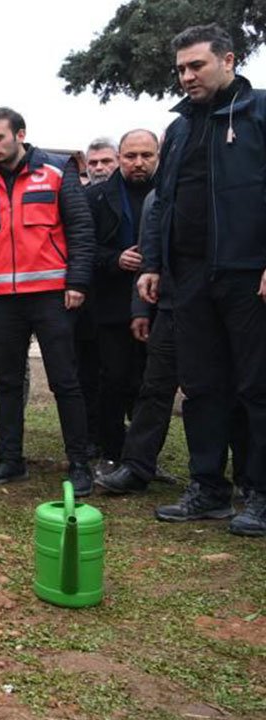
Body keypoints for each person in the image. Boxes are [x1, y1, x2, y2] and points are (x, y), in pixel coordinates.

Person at [137, 24, 266, 535]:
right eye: (181, 70)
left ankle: (259, 492)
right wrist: (153, 264)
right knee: (202, 387)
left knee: (257, 387)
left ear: (229, 60)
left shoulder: (258, 116)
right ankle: (208, 487)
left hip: (246, 275)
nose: (187, 77)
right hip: (187, 278)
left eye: (197, 66)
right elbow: (163, 202)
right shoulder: (181, 128)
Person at [0, 107, 96, 496]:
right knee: (7, 382)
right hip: (3, 300)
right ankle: (11, 461)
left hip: (51, 295)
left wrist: (77, 281)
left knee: (65, 381)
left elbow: (80, 228)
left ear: (20, 135)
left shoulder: (57, 172)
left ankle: (79, 464)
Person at [85, 130, 159, 464]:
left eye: (146, 156)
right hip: (112, 304)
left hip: (161, 304)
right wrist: (115, 259)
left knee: (150, 385)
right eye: (131, 156)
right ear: (122, 158)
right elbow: (82, 248)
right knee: (113, 379)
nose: (138, 163)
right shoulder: (97, 197)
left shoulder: (171, 193)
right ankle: (111, 451)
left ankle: (141, 458)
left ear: (158, 156)